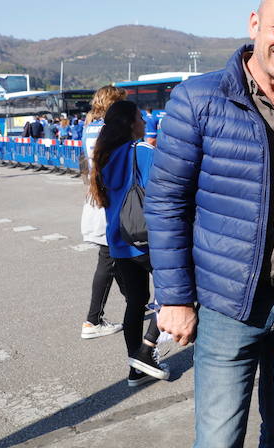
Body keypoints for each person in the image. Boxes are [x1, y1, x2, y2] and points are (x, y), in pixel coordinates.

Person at [145, 0, 274, 447]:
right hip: (228, 305)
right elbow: (166, 201)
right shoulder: (198, 99)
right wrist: (173, 298)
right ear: (254, 24)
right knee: (219, 438)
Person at [88, 100, 167, 386]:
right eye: (140, 118)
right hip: (149, 238)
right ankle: (147, 349)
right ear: (131, 123)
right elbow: (165, 191)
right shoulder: (142, 151)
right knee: (173, 291)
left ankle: (136, 368)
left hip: (119, 240)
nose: (145, 123)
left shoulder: (104, 156)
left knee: (135, 303)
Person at [79, 86, 127, 342]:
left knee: (113, 255)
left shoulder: (89, 126)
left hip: (95, 195)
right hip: (110, 199)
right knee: (108, 257)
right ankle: (92, 319)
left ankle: (135, 301)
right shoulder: (111, 129)